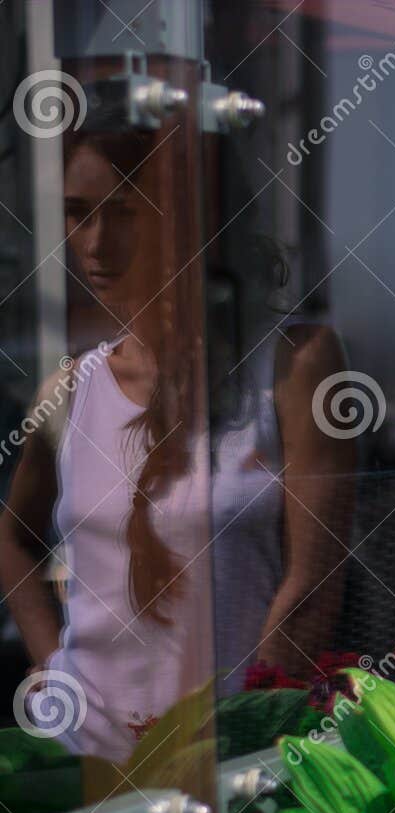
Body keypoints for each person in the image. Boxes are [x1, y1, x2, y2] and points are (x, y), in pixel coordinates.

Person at [0, 130, 355, 764]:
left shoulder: (291, 367)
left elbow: (314, 578)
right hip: (93, 768)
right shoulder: (69, 391)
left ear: (194, 221)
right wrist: (56, 671)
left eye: (128, 214)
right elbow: (14, 538)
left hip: (235, 760)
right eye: (79, 214)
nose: (98, 245)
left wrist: (247, 734)